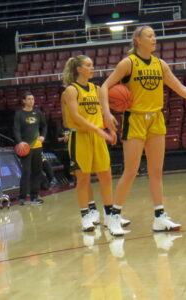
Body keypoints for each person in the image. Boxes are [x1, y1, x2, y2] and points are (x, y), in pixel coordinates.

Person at [100, 25, 186, 232]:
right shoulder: (128, 63)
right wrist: (106, 112)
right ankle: (114, 215)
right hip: (135, 119)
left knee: (156, 171)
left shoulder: (160, 64)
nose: (154, 39)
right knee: (130, 171)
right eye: (150, 35)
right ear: (138, 40)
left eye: (155, 35)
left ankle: (159, 216)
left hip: (156, 118)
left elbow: (181, 89)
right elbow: (104, 87)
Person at [61, 55, 128, 235]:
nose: (92, 68)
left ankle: (109, 216)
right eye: (88, 65)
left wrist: (110, 129)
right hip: (80, 137)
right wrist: (99, 131)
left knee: (106, 176)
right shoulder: (71, 90)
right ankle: (86, 215)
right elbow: (76, 117)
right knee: (83, 179)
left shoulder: (97, 89)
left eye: (92, 65)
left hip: (98, 136)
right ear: (79, 69)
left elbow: (103, 112)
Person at [14, 92, 47, 205]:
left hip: (37, 146)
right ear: (24, 101)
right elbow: (16, 130)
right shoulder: (19, 114)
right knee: (26, 171)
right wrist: (20, 142)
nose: (31, 101)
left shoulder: (38, 113)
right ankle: (22, 197)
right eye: (29, 99)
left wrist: (43, 136)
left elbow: (44, 126)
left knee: (37, 171)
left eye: (32, 99)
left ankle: (34, 197)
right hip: (25, 147)